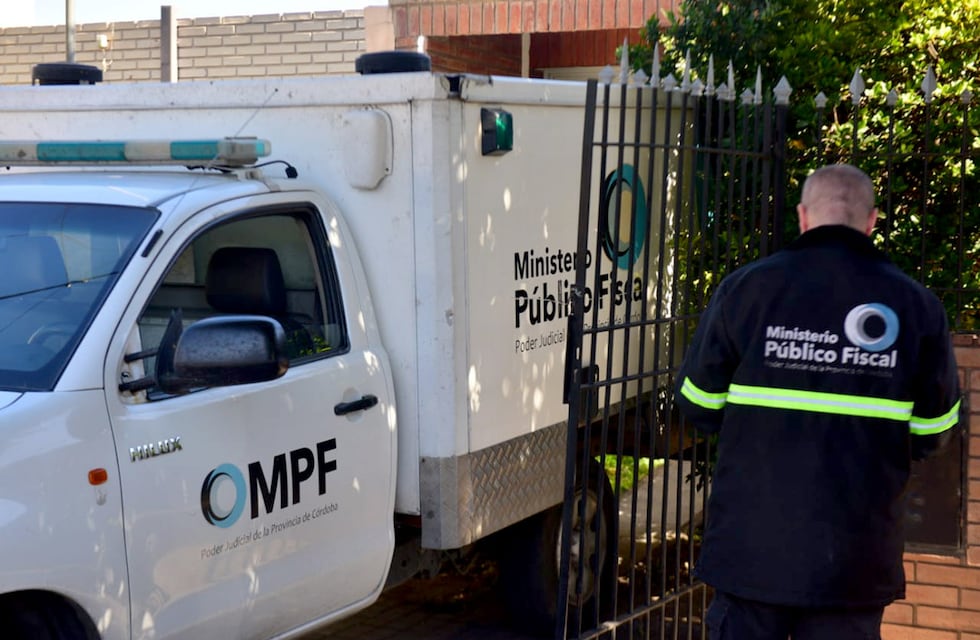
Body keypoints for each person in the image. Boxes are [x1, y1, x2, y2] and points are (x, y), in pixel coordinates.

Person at [674, 163, 961, 639]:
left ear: (804, 217)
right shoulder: (918, 307)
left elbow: (697, 404)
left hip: (752, 551)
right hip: (855, 559)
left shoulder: (745, 290)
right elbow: (934, 433)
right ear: (870, 222)